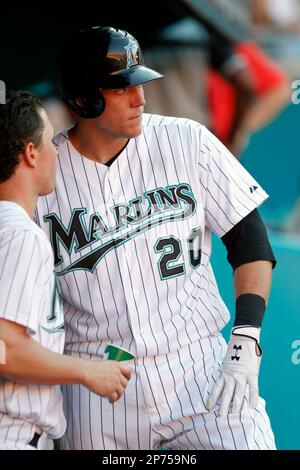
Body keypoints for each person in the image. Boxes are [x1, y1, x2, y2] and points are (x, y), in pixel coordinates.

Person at [35, 26, 277, 450]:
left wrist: (246, 339)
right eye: (122, 88)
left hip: (200, 372)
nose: (140, 98)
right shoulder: (43, 178)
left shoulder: (187, 139)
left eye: (140, 84)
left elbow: (250, 241)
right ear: (82, 98)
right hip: (99, 392)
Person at [0, 90, 132, 450]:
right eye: (49, 141)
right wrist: (88, 371)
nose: (57, 150)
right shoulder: (19, 235)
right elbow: (5, 350)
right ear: (30, 152)